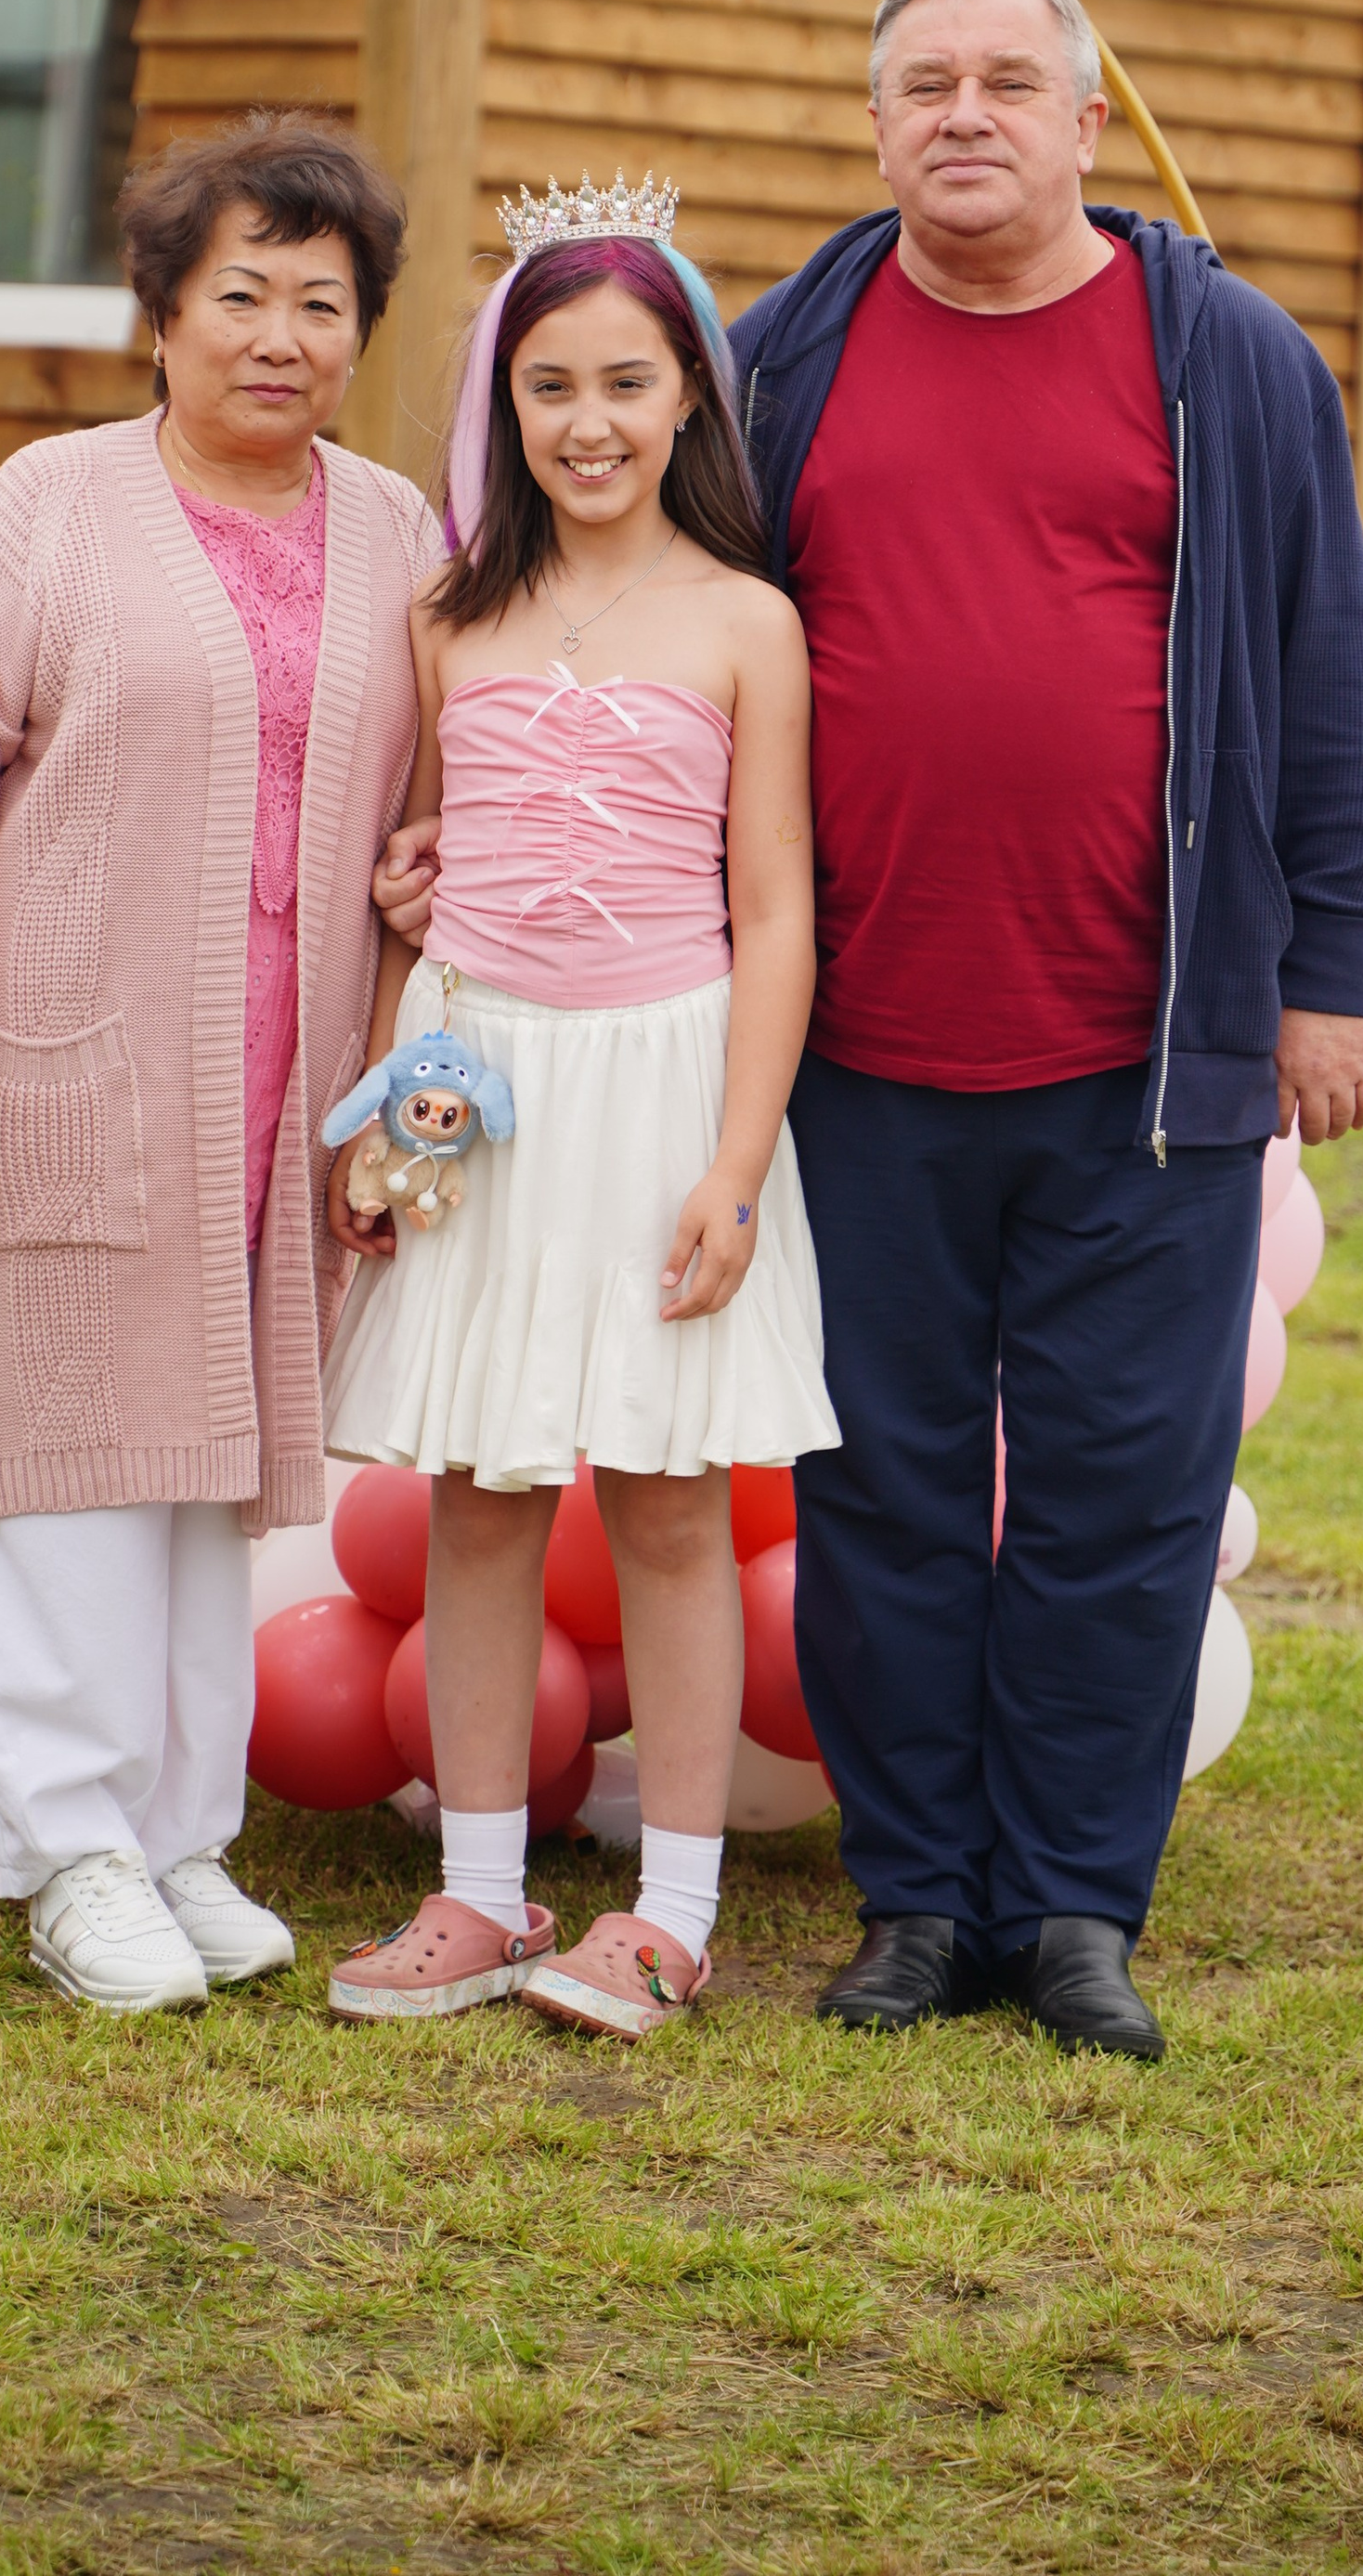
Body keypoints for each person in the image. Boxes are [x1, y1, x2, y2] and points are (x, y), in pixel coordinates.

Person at [726, 0, 1363, 2058]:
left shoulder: (1226, 362)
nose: (961, 113)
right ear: (871, 123)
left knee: (1121, 1497)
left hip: (1148, 1051)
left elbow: (1321, 675)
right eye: (920, 79)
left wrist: (1327, 972)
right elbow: (652, 640)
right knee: (883, 1497)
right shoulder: (779, 361)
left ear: (1084, 122)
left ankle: (1075, 1913)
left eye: (1006, 80)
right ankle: (919, 1902)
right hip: (854, 1052)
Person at [0, 110, 437, 2015]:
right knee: (59, 1456)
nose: (280, 335)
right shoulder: (49, 502)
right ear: (162, 316)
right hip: (67, 1060)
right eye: (240, 293)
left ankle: (182, 1839)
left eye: (320, 304)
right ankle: (73, 1853)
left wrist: (426, 865)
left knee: (207, 1466)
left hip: (284, 1082)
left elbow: (419, 775)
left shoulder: (395, 530)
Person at [319, 180, 832, 2040]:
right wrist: (385, 1111)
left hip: (660, 1085)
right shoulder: (452, 613)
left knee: (668, 1494)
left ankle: (667, 1915)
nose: (588, 422)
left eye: (626, 381)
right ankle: (475, 1892)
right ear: (503, 405)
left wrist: (735, 1159)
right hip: (484, 1085)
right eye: (549, 386)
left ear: (687, 394)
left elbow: (771, 906)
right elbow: (422, 880)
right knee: (478, 1488)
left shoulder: (741, 623)